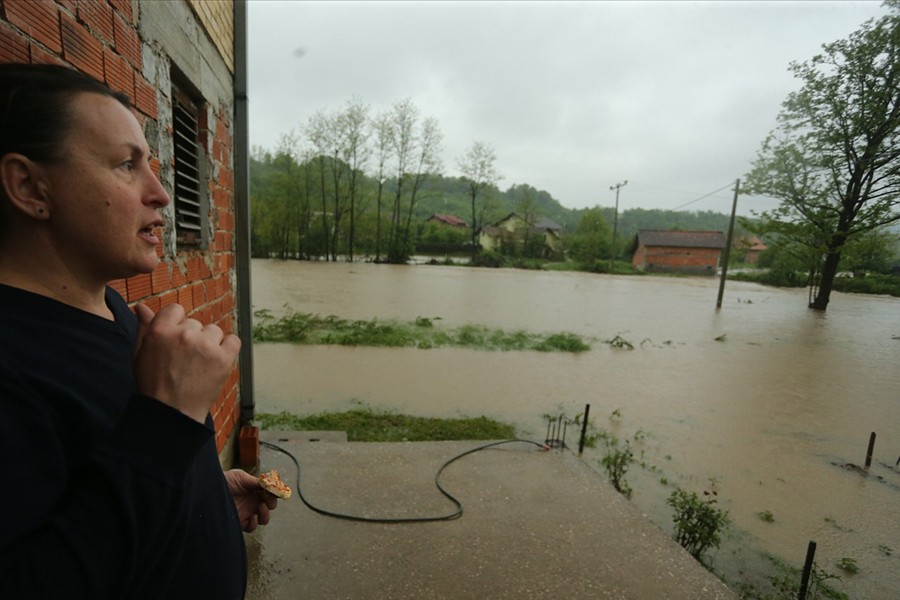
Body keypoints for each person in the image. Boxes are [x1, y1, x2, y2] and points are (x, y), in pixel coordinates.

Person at [0, 63, 276, 598]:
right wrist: (170, 418)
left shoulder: (109, 307)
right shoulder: (11, 364)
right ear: (30, 186)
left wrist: (203, 494)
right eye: (127, 165)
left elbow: (102, 482)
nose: (161, 194)